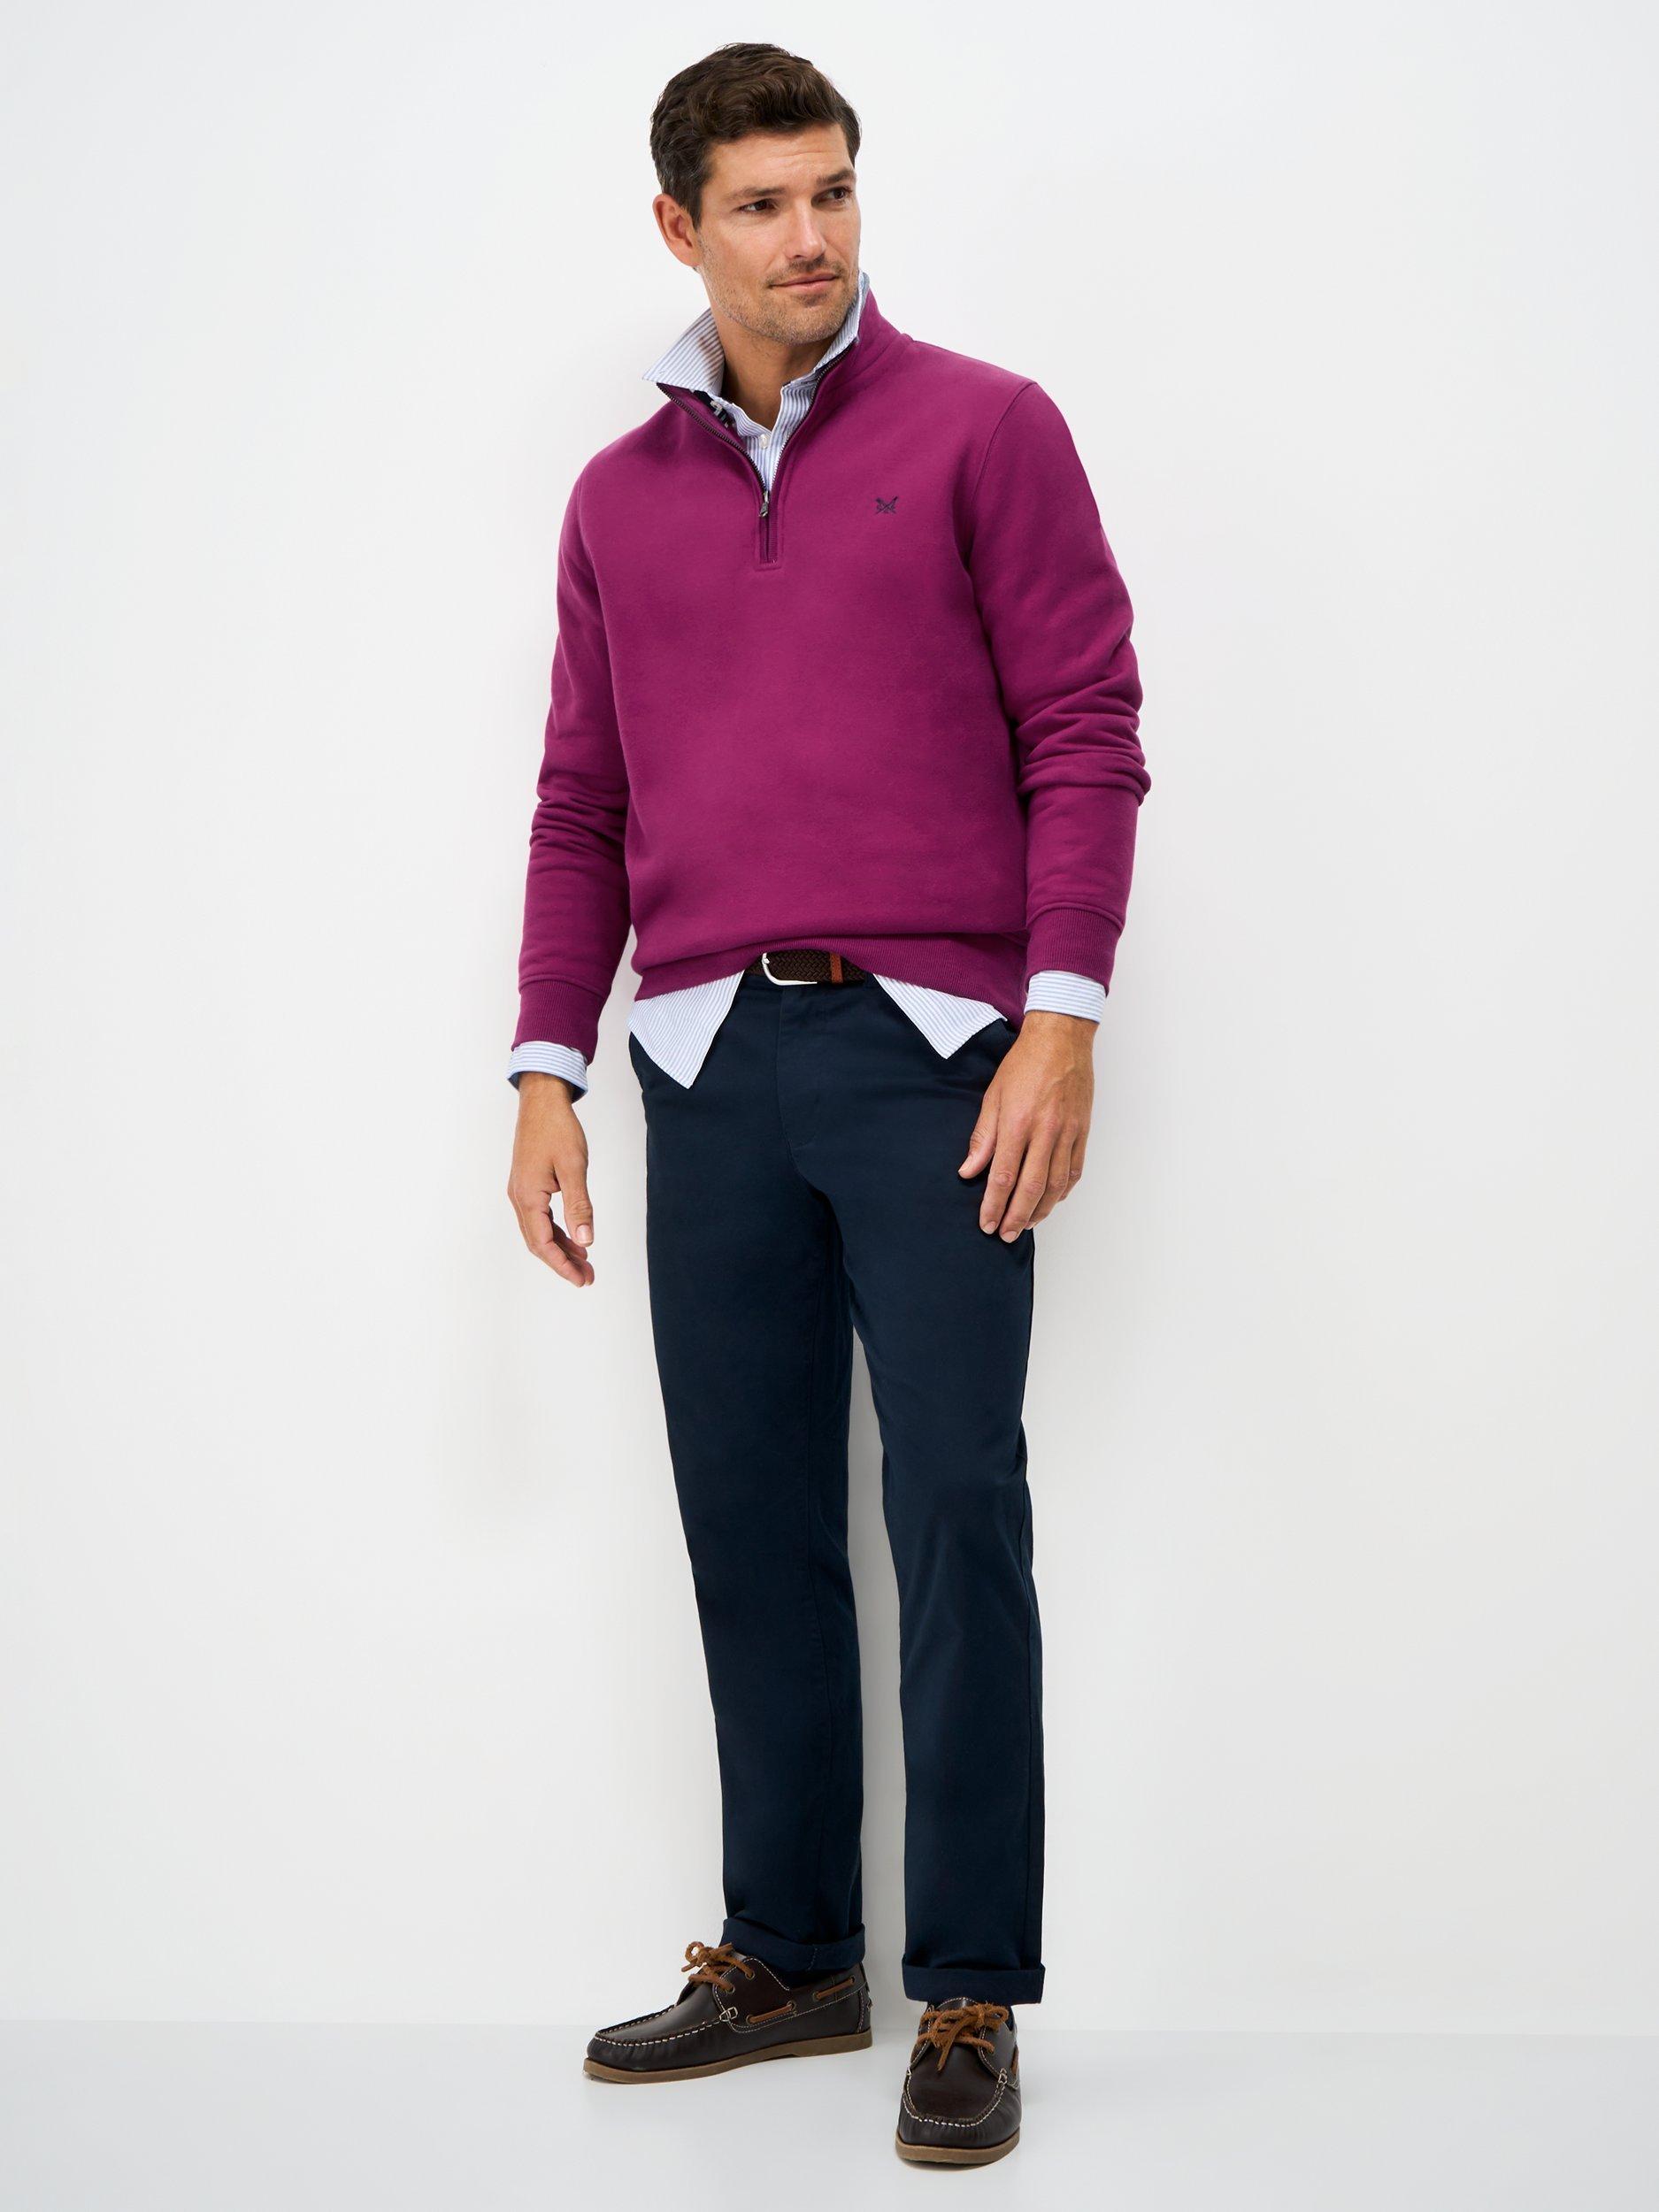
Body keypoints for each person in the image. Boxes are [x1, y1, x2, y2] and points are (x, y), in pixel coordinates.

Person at [506, 41, 1148, 2169]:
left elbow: (1083, 725)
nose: (811, 237)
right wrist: (545, 1063)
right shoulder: (616, 499)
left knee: (955, 1497)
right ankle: (789, 1949)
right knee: (750, 1508)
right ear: (678, 227)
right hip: (706, 1060)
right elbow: (581, 800)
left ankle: (965, 1980)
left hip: (935, 1054)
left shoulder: (984, 428)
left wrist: (1058, 1015)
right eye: (764, 204)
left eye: (834, 191)